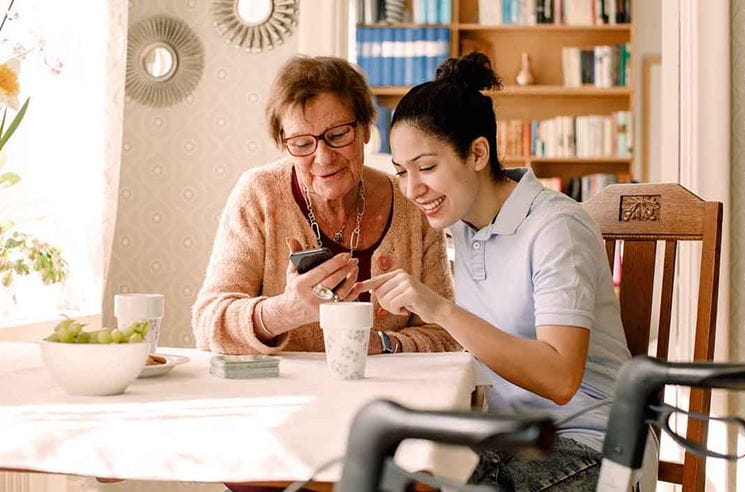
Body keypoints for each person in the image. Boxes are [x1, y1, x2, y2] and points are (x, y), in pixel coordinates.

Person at [350, 53, 635, 490]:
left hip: (590, 446)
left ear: (478, 152)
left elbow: (559, 379)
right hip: (506, 437)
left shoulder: (556, 228)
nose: (412, 189)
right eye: (402, 172)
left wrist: (440, 309)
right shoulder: (464, 225)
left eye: (427, 167)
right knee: (385, 469)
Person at [192, 55, 460, 356]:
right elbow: (208, 324)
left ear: (365, 129)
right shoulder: (260, 194)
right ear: (284, 143)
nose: (323, 158)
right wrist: (286, 310)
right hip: (286, 397)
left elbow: (447, 334)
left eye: (337, 135)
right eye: (303, 144)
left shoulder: (412, 203)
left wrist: (384, 344)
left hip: (386, 397)